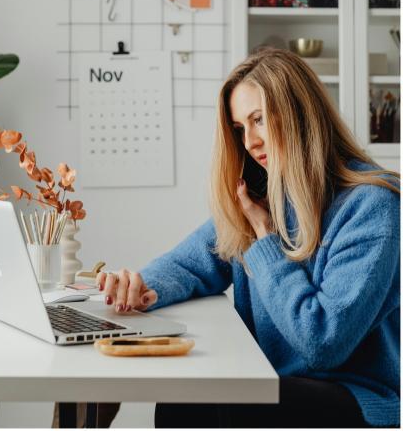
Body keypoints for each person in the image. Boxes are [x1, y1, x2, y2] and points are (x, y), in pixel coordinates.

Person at [97, 48, 400, 428]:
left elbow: (322, 342)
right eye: (240, 128)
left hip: (353, 394)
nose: (250, 142)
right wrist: (139, 287)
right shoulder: (267, 194)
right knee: (182, 399)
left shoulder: (373, 204)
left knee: (203, 404)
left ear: (300, 113)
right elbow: (191, 262)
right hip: (270, 380)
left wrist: (264, 240)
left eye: (258, 120)